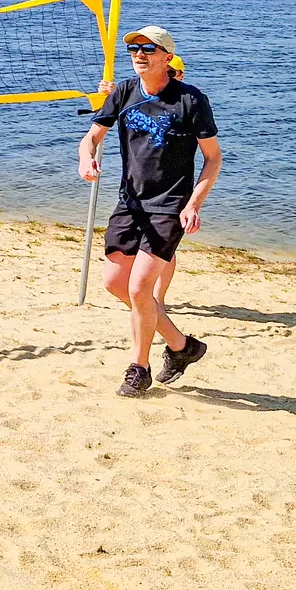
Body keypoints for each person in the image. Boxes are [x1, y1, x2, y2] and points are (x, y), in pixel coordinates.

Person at [79, 25, 222, 397]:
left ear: (165, 57)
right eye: (134, 49)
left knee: (140, 288)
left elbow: (212, 159)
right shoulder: (125, 91)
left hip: (170, 205)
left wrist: (194, 204)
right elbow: (93, 135)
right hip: (130, 202)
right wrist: (85, 158)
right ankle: (181, 345)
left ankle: (138, 368)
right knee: (115, 284)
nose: (139, 54)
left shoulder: (190, 99)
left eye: (148, 49)